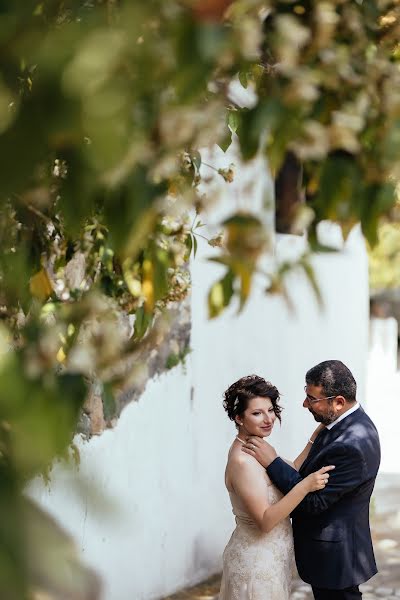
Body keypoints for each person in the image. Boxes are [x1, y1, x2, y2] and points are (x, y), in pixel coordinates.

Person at [242, 360, 381, 600]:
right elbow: (306, 473)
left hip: (336, 557)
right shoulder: (340, 425)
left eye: (312, 399)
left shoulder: (351, 445)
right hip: (333, 555)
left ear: (338, 402)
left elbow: (312, 503)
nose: (305, 404)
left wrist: (272, 461)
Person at [218, 374, 334, 600]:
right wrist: (305, 486)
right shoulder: (242, 462)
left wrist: (315, 437)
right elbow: (265, 521)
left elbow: (288, 471)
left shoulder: (256, 445)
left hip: (273, 559)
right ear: (239, 418)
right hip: (255, 565)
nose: (268, 419)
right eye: (257, 413)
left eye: (270, 410)